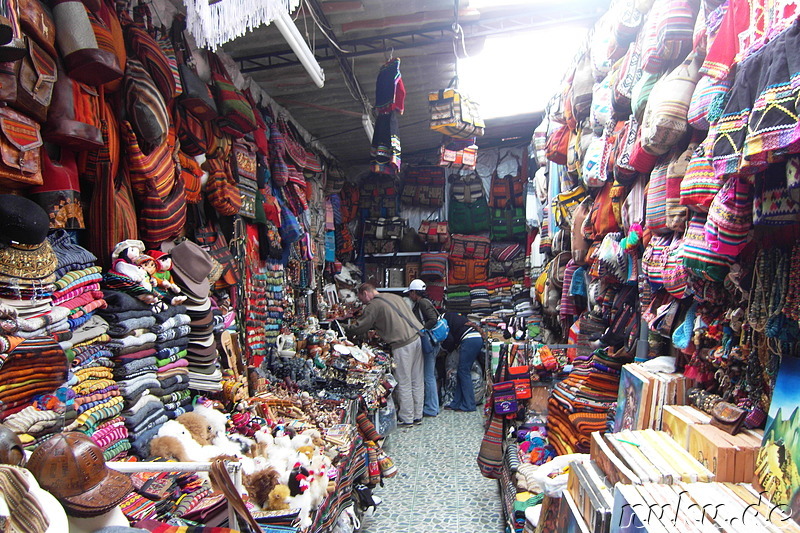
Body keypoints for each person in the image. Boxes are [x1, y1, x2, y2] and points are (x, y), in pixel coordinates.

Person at [345, 283, 425, 427]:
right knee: (416, 379)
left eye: (361, 298)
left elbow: (361, 326)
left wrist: (345, 329)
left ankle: (407, 418)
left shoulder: (373, 305)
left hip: (402, 344)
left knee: (404, 380)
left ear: (365, 293)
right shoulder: (394, 296)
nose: (363, 302)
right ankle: (417, 415)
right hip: (416, 338)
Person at [405, 279, 440, 417]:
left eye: (410, 293)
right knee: (430, 375)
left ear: (415, 292)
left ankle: (432, 408)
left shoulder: (422, 303)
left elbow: (433, 319)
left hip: (429, 342)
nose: (409, 296)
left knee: (428, 376)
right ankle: (432, 405)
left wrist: (421, 330)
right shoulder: (424, 302)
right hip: (432, 342)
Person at [441, 311, 484, 412]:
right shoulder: (455, 316)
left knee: (463, 371)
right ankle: (456, 403)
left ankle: (469, 405)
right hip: (476, 339)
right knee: (462, 371)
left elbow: (450, 339)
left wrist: (446, 349)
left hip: (469, 340)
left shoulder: (443, 319)